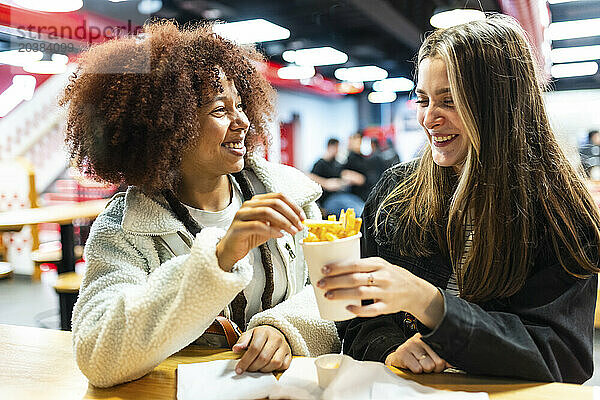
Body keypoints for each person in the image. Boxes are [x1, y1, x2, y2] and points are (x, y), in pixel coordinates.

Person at [318, 14, 600, 383]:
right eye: (422, 100)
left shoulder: (558, 209)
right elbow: (359, 324)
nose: (429, 118)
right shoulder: (395, 194)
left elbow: (563, 356)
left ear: (499, 106)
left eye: (449, 101)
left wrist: (432, 305)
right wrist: (390, 347)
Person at [61, 21, 339, 388]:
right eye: (220, 111)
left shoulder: (290, 195)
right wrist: (220, 257)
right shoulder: (123, 229)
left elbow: (333, 292)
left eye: (240, 105)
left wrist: (286, 328)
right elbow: (98, 354)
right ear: (169, 128)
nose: (243, 121)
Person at [309, 138, 365, 216]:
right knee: (357, 211)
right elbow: (310, 177)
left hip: (342, 195)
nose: (337, 150)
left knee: (362, 205)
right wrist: (326, 183)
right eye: (336, 147)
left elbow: (342, 175)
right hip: (329, 199)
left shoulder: (336, 164)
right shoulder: (320, 164)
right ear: (329, 147)